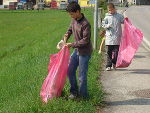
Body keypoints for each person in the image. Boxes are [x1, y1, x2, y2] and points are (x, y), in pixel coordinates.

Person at [57, 1, 93, 99]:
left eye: (72, 14)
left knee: (81, 75)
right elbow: (69, 30)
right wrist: (64, 39)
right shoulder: (74, 20)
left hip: (84, 52)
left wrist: (71, 44)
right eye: (70, 14)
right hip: (77, 51)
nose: (71, 16)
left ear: (78, 11)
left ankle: (83, 97)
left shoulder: (86, 24)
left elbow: (85, 41)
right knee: (70, 71)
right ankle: (74, 92)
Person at [101, 3, 124, 71]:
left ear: (114, 9)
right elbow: (103, 25)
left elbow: (123, 21)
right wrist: (108, 26)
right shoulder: (106, 17)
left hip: (117, 37)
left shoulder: (119, 16)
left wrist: (126, 20)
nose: (110, 11)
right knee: (109, 52)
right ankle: (108, 65)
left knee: (116, 52)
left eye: (111, 10)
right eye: (109, 10)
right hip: (109, 38)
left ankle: (114, 63)